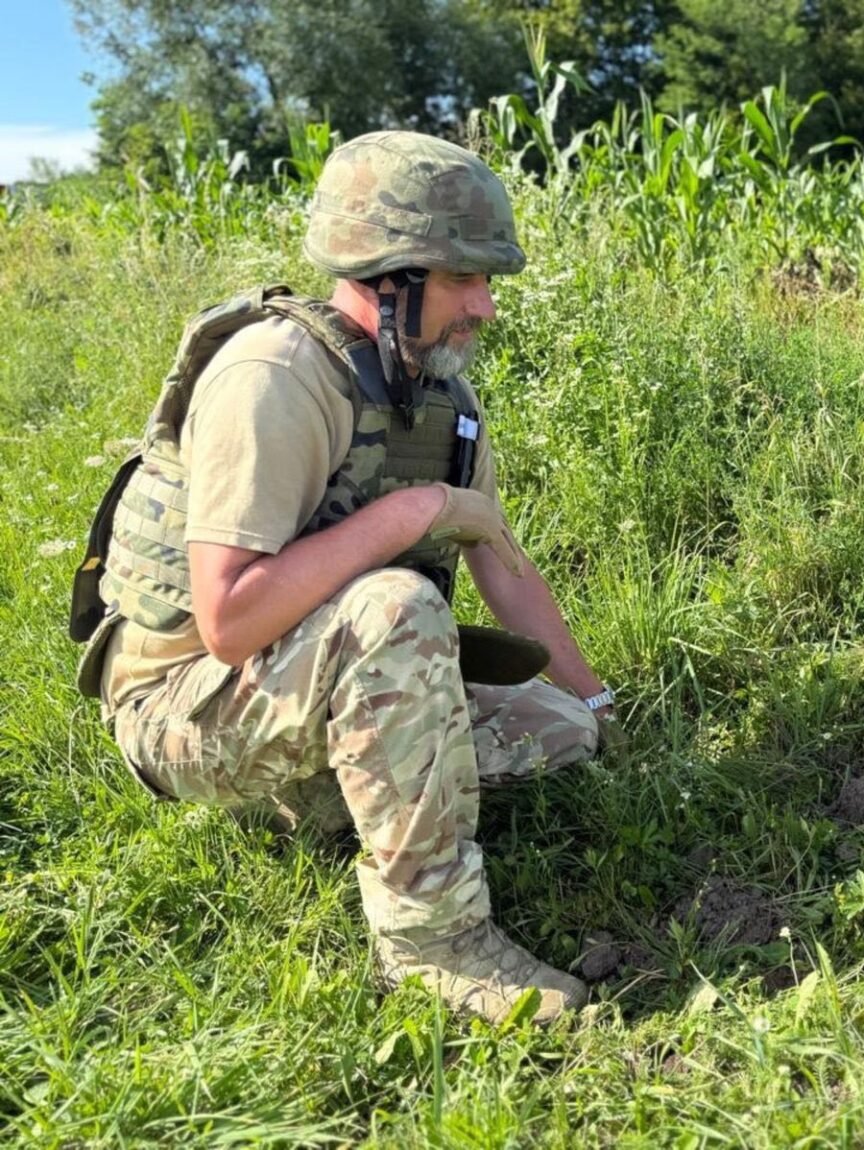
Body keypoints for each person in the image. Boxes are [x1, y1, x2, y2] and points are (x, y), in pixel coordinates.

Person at [69, 130, 617, 1026]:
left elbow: (503, 569)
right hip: (185, 704)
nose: (484, 304)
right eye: (462, 278)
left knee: (557, 733)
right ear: (385, 274)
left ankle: (326, 795)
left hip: (303, 673)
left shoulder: (441, 396)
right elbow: (230, 621)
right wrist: (413, 515)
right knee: (396, 608)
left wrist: (598, 703)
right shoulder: (275, 377)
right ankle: (435, 943)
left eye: (489, 280)